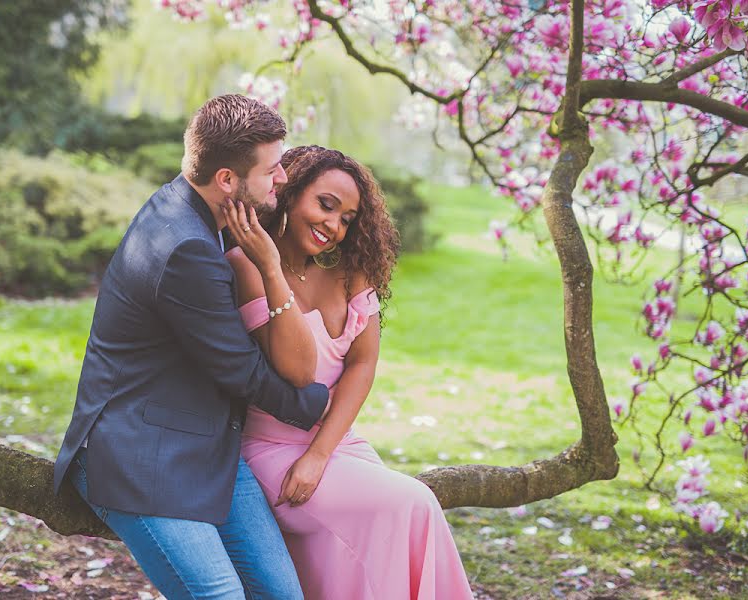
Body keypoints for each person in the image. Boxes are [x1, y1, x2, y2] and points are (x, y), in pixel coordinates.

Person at [52, 95, 330, 599]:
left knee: (283, 595)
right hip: (136, 454)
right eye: (272, 169)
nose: (283, 178)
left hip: (202, 441)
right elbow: (240, 372)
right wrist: (315, 403)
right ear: (226, 179)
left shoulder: (197, 213)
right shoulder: (187, 247)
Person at [225, 145, 475, 599]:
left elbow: (362, 364)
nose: (334, 226)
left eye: (347, 218)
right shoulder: (246, 266)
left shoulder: (351, 274)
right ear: (289, 193)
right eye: (325, 205)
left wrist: (321, 453)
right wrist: (269, 265)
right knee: (412, 502)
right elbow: (294, 367)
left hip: (336, 444)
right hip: (269, 451)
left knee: (380, 536)